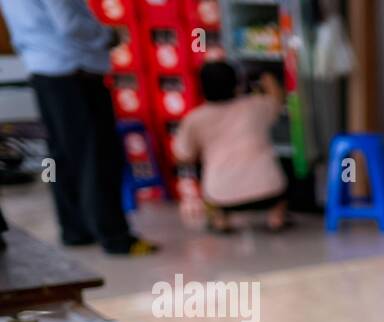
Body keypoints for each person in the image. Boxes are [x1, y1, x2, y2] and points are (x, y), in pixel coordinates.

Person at [0, 0, 157, 255]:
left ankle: (75, 230)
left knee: (62, 155)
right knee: (97, 156)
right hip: (73, 70)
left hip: (42, 68)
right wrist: (108, 35)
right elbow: (70, 24)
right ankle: (115, 236)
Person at [172, 62, 288, 233]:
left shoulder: (195, 119)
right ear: (237, 84)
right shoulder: (256, 106)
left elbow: (182, 157)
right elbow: (278, 98)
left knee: (216, 200)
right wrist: (265, 76)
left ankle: (221, 220)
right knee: (277, 187)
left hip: (221, 194)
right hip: (269, 190)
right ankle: (276, 218)